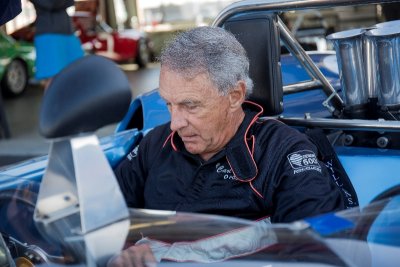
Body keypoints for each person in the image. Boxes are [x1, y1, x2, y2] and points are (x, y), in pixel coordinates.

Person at [112, 26, 345, 266]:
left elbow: (321, 251)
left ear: (235, 96)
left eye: (190, 105)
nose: (175, 124)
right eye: (169, 104)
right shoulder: (156, 143)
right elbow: (105, 219)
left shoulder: (283, 152)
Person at [30, 0, 84, 88]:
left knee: (76, 73)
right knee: (52, 80)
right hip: (48, 34)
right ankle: (52, 102)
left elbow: (71, 2)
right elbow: (51, 4)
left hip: (68, 32)